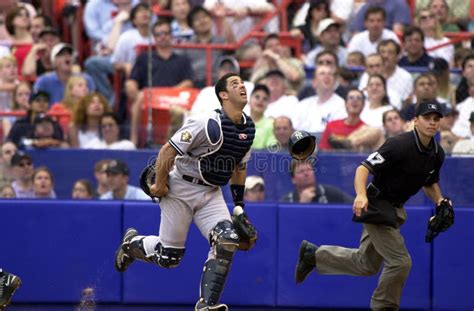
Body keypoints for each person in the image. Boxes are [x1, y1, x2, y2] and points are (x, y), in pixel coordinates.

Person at [114, 73, 256, 310]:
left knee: (228, 240)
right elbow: (167, 152)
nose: (241, 85)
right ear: (223, 95)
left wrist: (239, 206)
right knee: (169, 258)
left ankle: (207, 304)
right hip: (180, 188)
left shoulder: (248, 128)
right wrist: (159, 184)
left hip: (211, 192)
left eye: (242, 82)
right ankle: (131, 244)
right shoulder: (205, 122)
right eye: (235, 84)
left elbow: (239, 168)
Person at [295, 100, 449, 311]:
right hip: (377, 205)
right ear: (415, 121)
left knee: (365, 264)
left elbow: (430, 181)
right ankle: (383, 307)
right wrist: (360, 194)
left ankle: (314, 255)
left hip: (395, 209)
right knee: (400, 262)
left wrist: (440, 200)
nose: (432, 122)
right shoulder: (399, 145)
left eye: (436, 119)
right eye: (427, 118)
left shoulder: (437, 153)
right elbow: (363, 168)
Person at [281, 158, 353, 204]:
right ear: (293, 179)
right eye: (301, 171)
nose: (306, 173)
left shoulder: (329, 193)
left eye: (309, 169)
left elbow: (353, 205)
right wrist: (302, 205)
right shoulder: (287, 201)